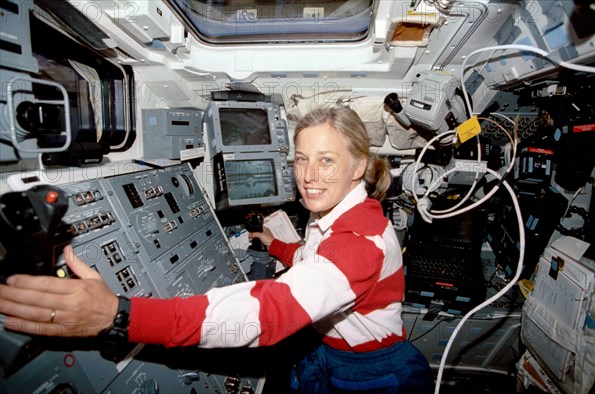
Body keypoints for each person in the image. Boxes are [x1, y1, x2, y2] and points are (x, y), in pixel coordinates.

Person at [0, 107, 433, 393]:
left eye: (327, 160)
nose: (309, 175)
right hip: (327, 350)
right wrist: (277, 245)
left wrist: (118, 316)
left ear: (358, 166)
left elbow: (269, 313)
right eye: (301, 159)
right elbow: (312, 257)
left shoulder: (360, 242)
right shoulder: (342, 215)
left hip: (368, 370)